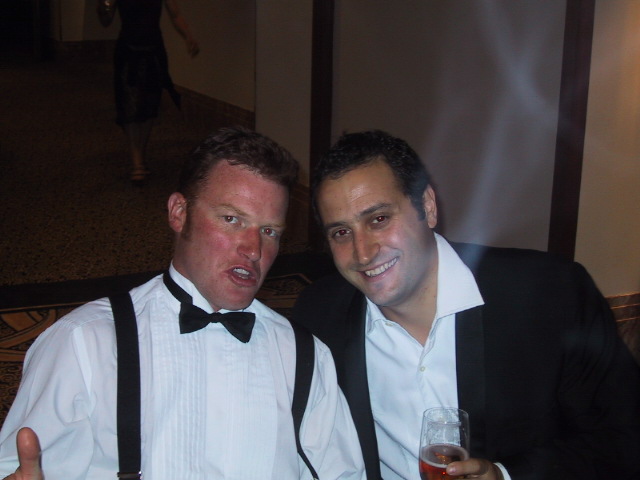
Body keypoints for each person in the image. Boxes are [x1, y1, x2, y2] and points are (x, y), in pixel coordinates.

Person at [0, 127, 366, 480]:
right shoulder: (84, 343)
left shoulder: (304, 356)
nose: (254, 250)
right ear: (179, 212)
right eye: (232, 219)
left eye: (269, 231)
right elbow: (15, 466)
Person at [292, 129, 640, 480]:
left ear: (427, 206)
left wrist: (506, 475)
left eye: (379, 219)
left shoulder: (549, 294)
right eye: (341, 232)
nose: (363, 252)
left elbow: (623, 438)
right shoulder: (320, 316)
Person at [97, 0, 200, 185]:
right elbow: (105, 20)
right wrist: (106, 5)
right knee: (129, 105)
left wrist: (188, 36)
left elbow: (175, 14)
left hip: (153, 50)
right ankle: (137, 162)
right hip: (127, 52)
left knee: (149, 104)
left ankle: (140, 154)